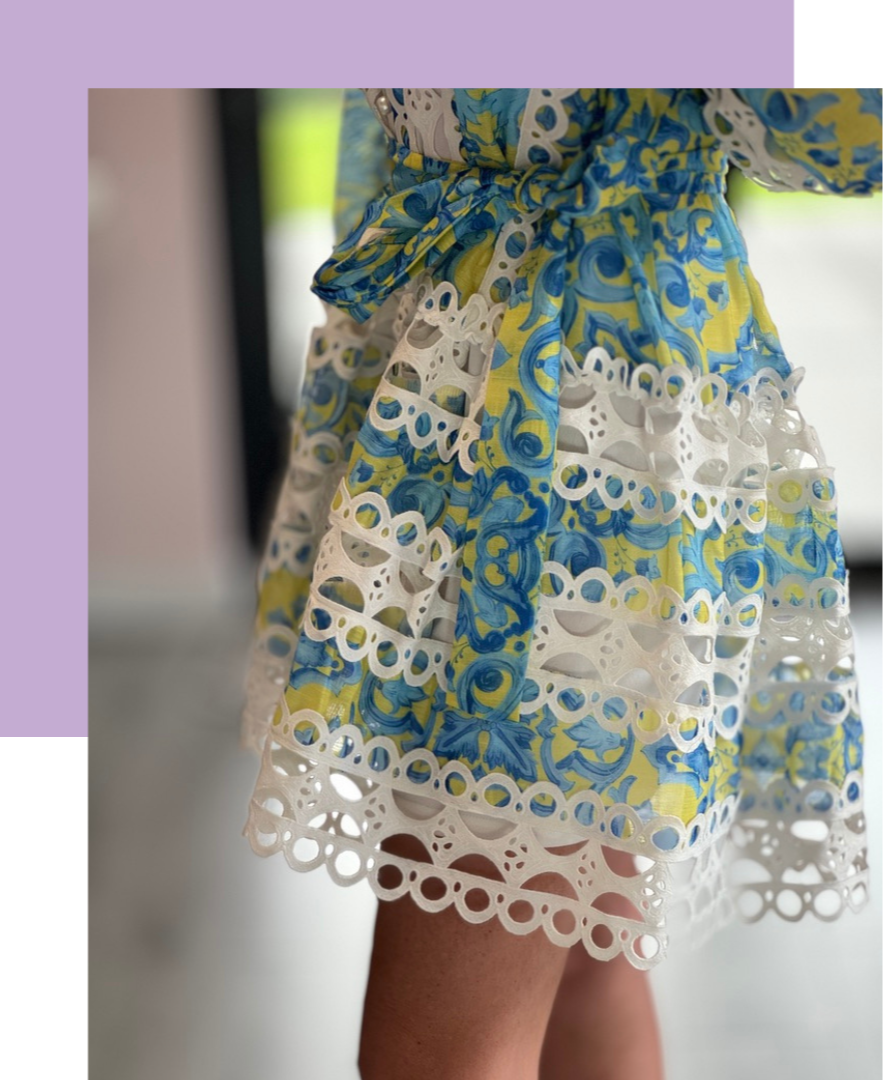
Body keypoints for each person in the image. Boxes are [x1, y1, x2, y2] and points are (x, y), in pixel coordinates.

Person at [241, 89, 877, 1080]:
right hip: (472, 393)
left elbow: (844, 125)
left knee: (438, 1048)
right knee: (579, 949)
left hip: (575, 442)